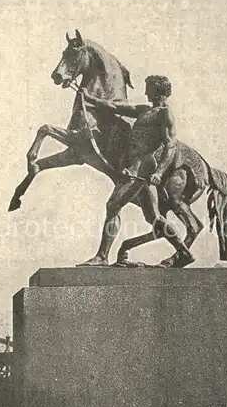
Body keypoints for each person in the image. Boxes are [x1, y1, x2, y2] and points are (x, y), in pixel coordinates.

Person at [77, 75, 194, 267]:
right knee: (153, 218)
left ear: (158, 91)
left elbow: (170, 145)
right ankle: (184, 252)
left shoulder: (164, 114)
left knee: (113, 206)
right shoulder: (145, 111)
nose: (146, 92)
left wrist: (160, 172)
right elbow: (115, 107)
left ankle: (102, 256)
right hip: (137, 167)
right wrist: (89, 98)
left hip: (140, 168)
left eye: (149, 89)